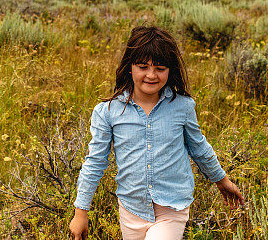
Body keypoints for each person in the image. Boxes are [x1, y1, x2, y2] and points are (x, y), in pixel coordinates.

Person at [69, 25, 245, 240]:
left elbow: (199, 147)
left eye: (160, 68)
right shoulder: (108, 111)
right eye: (143, 67)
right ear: (129, 67)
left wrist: (222, 180)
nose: (151, 75)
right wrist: (81, 212)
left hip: (172, 206)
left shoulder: (182, 106)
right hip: (131, 208)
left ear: (170, 70)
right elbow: (95, 162)